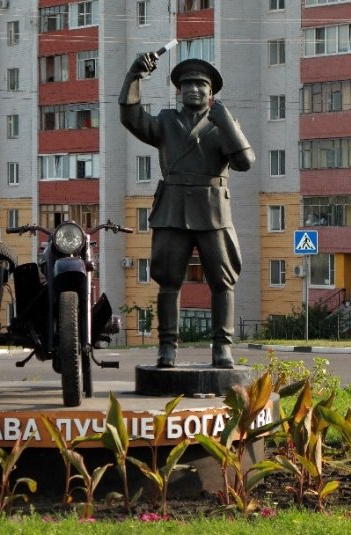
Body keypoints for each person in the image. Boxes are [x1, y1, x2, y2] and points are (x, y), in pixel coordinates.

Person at [119, 55, 255, 369]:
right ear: (179, 91)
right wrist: (135, 75)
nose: (193, 89)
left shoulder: (223, 123)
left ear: (211, 93)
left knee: (223, 282)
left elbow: (245, 162)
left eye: (200, 84)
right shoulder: (166, 121)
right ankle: (167, 348)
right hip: (172, 210)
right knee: (169, 281)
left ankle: (222, 347)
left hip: (212, 211)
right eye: (187, 84)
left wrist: (226, 121)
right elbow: (131, 116)